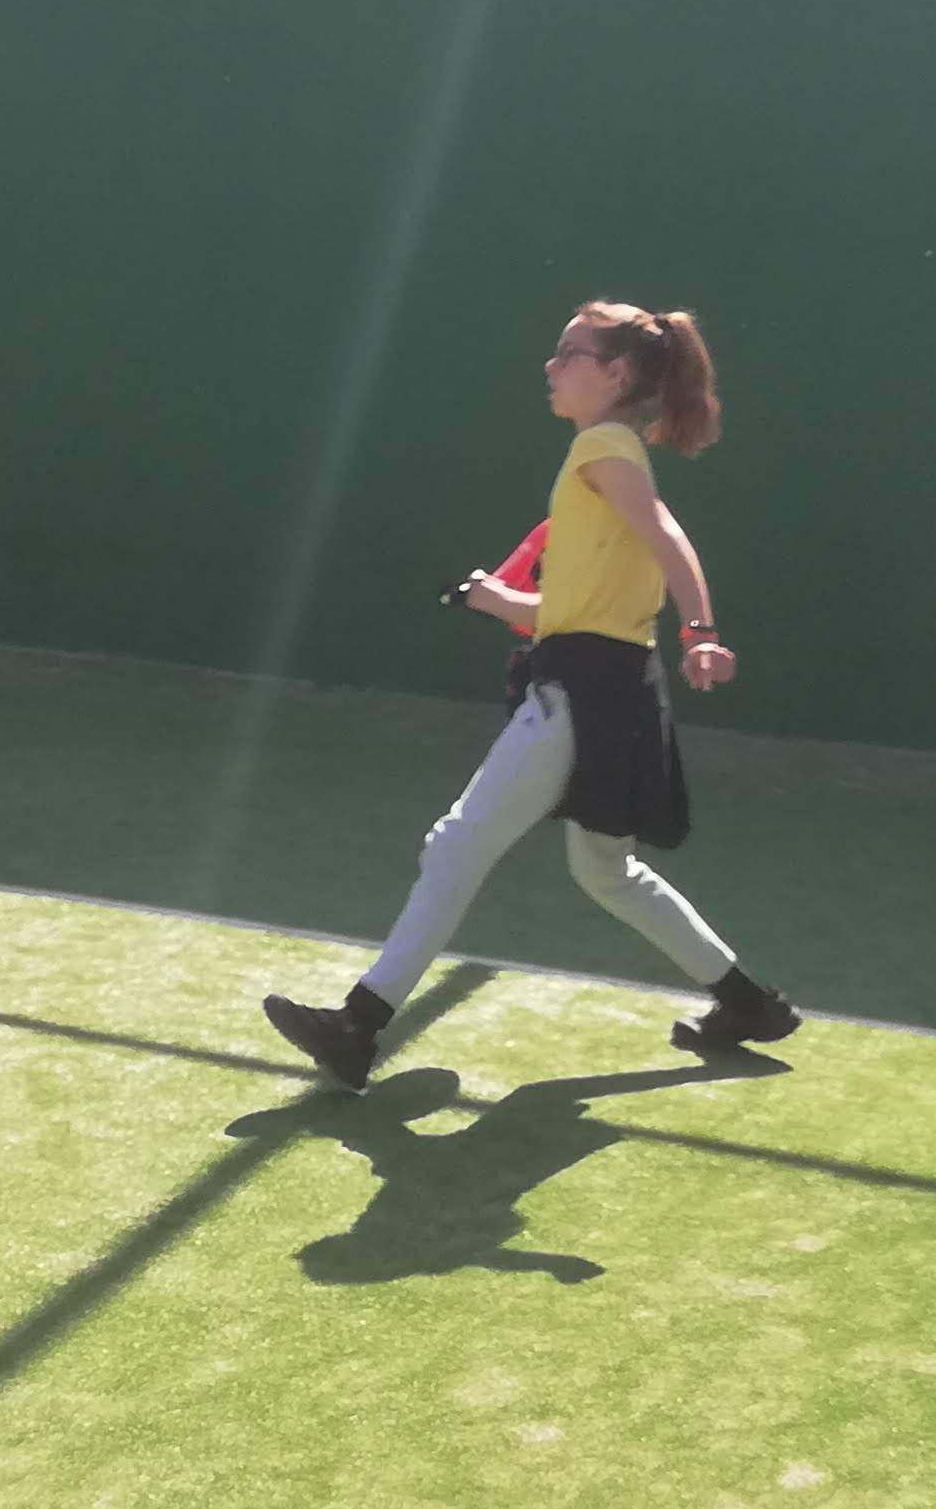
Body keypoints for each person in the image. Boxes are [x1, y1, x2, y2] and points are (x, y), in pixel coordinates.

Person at [261, 301, 794, 1086]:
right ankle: (748, 1004)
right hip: (619, 688)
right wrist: (488, 598)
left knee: (456, 845)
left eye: (568, 353)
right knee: (606, 872)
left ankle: (358, 1025)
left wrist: (701, 632)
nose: (551, 366)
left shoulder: (601, 448)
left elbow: (667, 537)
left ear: (614, 374)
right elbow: (567, 608)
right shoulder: (608, 459)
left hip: (580, 690)